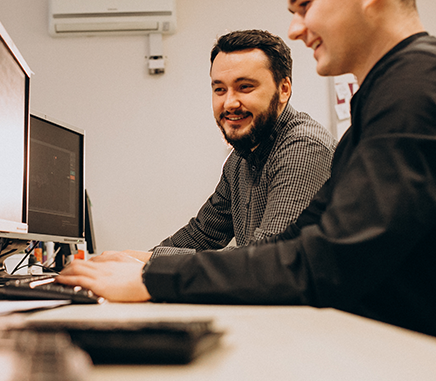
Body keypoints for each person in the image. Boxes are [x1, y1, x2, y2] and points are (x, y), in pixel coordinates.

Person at [57, 0, 436, 354]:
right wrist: (143, 267)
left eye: (305, 5)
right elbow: (295, 243)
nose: (295, 29)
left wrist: (152, 277)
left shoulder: (422, 87)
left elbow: (322, 263)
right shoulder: (387, 95)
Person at [125, 29, 335, 265]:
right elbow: (202, 234)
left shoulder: (304, 147)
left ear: (283, 89)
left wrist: (148, 264)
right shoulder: (241, 156)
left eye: (245, 87)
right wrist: (131, 261)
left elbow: (268, 258)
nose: (229, 103)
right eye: (219, 89)